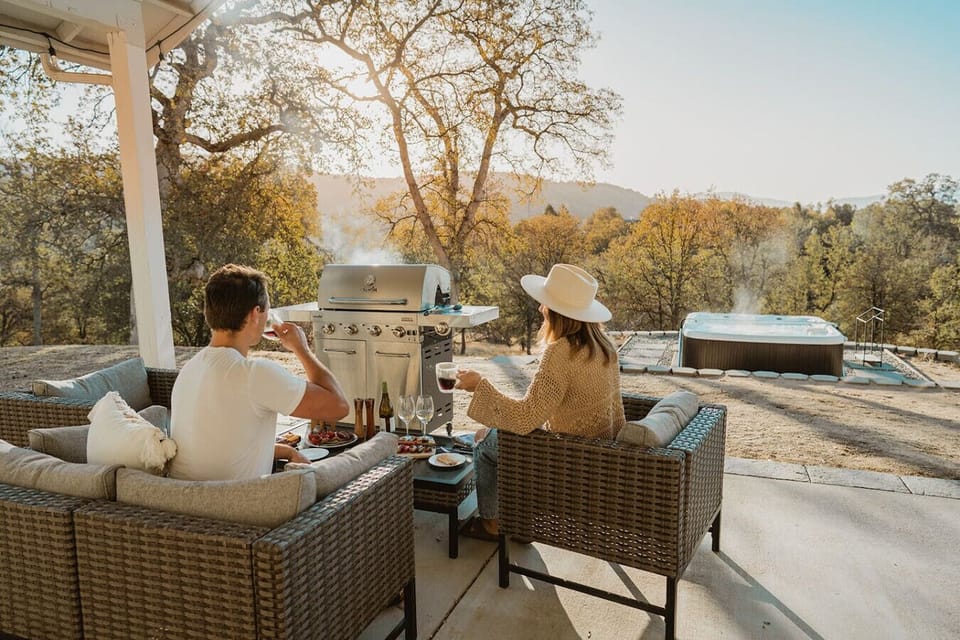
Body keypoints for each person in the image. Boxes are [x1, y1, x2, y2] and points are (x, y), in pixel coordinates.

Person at [455, 264, 626, 540]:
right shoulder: (605, 347)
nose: (540, 310)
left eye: (545, 304)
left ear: (558, 312)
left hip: (563, 461)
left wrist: (479, 386)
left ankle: (492, 525)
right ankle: (520, 522)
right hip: (600, 456)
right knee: (487, 434)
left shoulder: (560, 353)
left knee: (485, 444)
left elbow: (525, 418)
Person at [168, 264, 349, 481]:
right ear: (256, 314)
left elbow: (218, 448)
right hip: (239, 508)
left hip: (184, 502)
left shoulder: (189, 370)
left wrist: (288, 451)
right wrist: (301, 348)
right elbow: (339, 407)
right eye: (266, 311)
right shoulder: (254, 374)